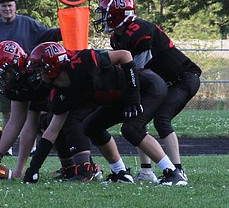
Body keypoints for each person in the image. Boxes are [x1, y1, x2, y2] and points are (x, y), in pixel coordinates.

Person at [20, 41, 186, 186]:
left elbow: (125, 55)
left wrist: (133, 97)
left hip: (146, 87)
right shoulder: (61, 92)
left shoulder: (83, 62)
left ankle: (173, 172)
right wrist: (33, 169)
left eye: (39, 69)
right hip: (119, 98)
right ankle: (121, 173)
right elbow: (51, 131)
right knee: (92, 126)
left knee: (132, 129)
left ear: (51, 66)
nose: (37, 74)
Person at [95, 0, 199, 184]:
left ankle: (177, 171)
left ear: (118, 14)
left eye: (106, 13)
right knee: (137, 120)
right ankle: (146, 171)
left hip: (182, 79)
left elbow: (138, 69)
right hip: (160, 82)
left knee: (161, 119)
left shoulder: (138, 30)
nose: (102, 17)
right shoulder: (117, 38)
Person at [0, 40, 102, 182]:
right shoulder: (24, 81)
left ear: (16, 64)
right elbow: (18, 123)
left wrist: (32, 168)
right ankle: (70, 168)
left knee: (58, 122)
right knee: (44, 124)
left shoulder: (39, 70)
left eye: (6, 73)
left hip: (88, 89)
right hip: (66, 100)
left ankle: (87, 167)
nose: (5, 79)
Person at [0, 0, 62, 129]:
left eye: (10, 5)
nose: (7, 9)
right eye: (3, 6)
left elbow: (48, 34)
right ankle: (7, 149)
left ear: (15, 6)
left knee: (31, 113)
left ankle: (33, 147)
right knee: (7, 113)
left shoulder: (27, 23)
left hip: (27, 76)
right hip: (3, 79)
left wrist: (67, 28)